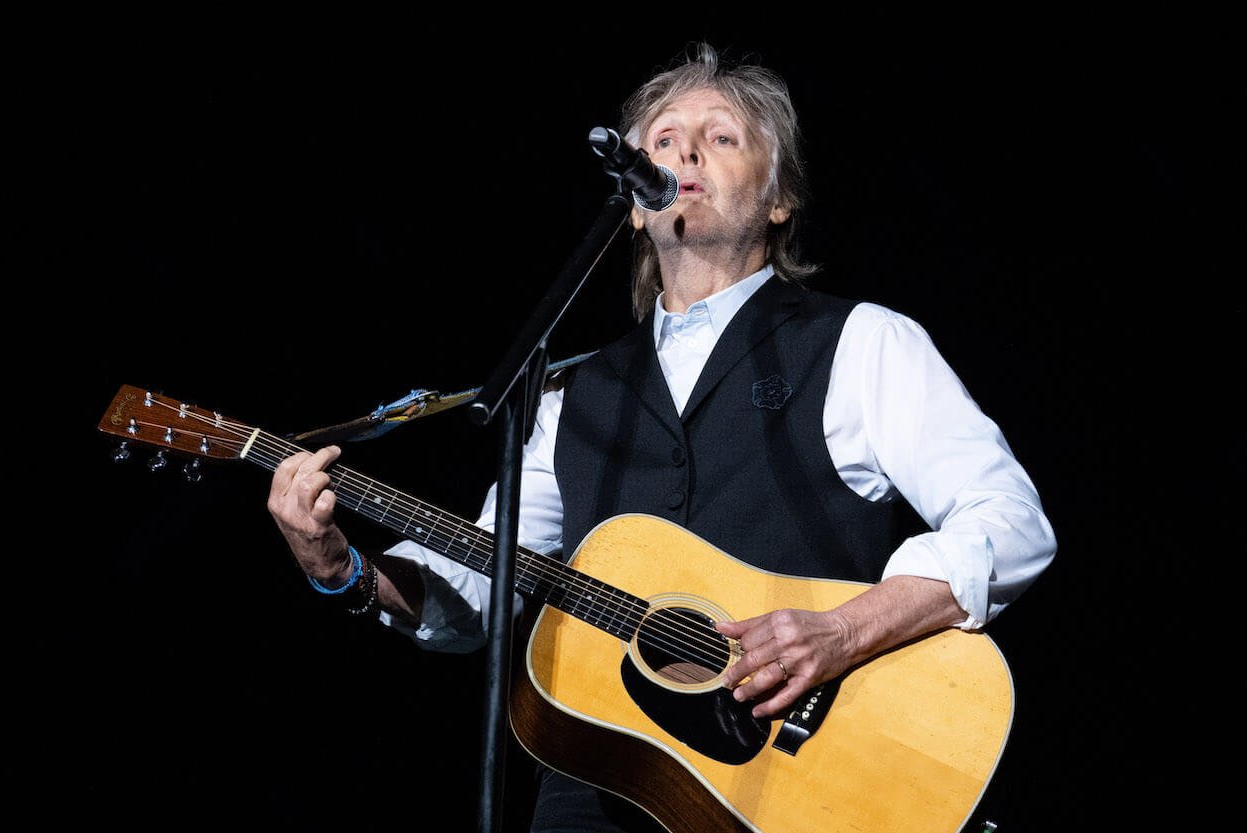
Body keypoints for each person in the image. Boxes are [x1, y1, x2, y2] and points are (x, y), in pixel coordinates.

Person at [267, 43, 1056, 833]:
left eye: (721, 137)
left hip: (804, 793)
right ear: (636, 203)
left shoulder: (861, 343)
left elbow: (1011, 523)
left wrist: (843, 630)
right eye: (665, 137)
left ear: (779, 198)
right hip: (596, 798)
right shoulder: (570, 393)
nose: (685, 149)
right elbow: (479, 585)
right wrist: (345, 571)